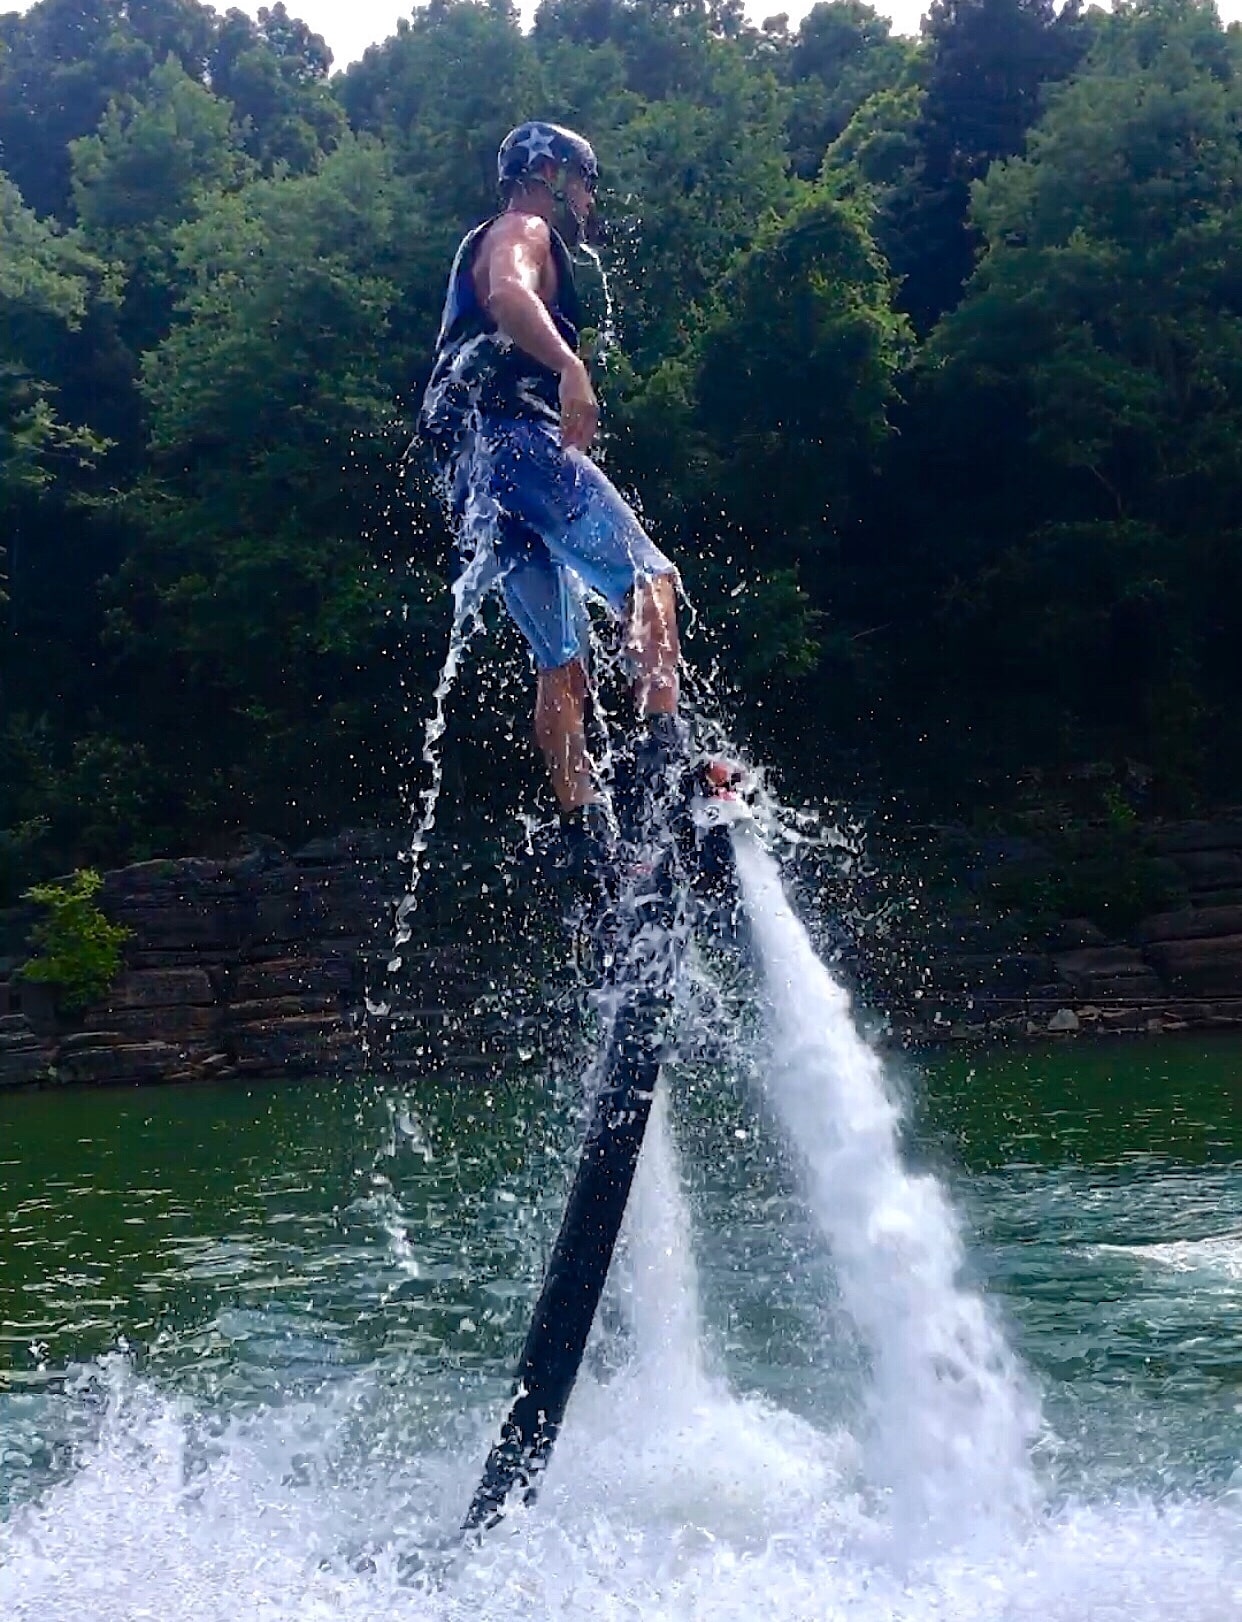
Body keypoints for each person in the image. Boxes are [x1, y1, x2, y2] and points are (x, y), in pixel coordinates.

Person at [419, 120, 694, 886]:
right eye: (584, 178)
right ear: (547, 169)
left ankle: (587, 843)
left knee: (560, 662)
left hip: (476, 483)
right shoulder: (522, 228)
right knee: (648, 581)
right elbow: (506, 291)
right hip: (517, 442)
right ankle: (664, 759)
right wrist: (571, 366)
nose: (588, 196)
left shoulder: (490, 242)